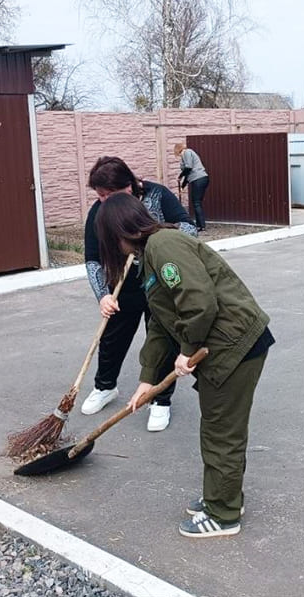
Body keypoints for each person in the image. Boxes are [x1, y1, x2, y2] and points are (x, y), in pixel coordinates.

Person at [95, 192, 274, 538]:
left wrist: (187, 349)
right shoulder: (151, 256)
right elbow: (161, 325)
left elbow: (199, 302)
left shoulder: (164, 245)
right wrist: (147, 379)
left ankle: (223, 514)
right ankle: (224, 496)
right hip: (223, 345)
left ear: (120, 232)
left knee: (221, 432)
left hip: (233, 345)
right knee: (219, 428)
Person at [82, 156, 198, 432]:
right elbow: (92, 259)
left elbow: (189, 229)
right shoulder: (99, 212)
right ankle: (105, 387)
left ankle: (160, 399)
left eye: (109, 194)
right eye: (100, 195)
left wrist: (154, 235)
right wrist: (103, 296)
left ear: (129, 186)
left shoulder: (157, 195)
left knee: (162, 340)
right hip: (122, 286)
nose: (104, 201)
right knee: (111, 339)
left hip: (160, 284)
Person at [174, 142, 210, 232]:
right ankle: (200, 225)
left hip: (198, 179)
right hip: (200, 178)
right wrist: (183, 186)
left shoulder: (187, 152)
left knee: (196, 202)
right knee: (197, 202)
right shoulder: (188, 154)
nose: (178, 155)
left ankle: (201, 226)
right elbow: (188, 174)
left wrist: (180, 176)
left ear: (178, 150)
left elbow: (188, 168)